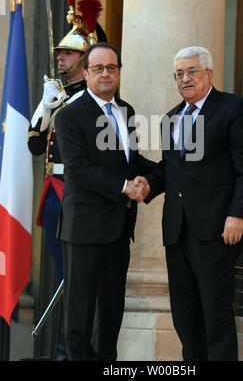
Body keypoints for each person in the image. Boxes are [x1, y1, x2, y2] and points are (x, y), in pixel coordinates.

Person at [136, 46, 243, 361]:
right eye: (179, 74)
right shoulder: (170, 118)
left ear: (209, 73)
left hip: (218, 229)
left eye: (192, 71)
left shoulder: (234, 108)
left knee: (216, 314)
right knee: (184, 314)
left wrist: (237, 215)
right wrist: (149, 184)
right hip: (178, 231)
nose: (185, 79)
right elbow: (171, 169)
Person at [54, 41, 154, 361]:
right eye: (98, 69)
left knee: (112, 310)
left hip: (119, 227)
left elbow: (132, 162)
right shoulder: (70, 115)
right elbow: (79, 169)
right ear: (86, 74)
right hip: (84, 229)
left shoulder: (127, 111)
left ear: (119, 72)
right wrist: (126, 187)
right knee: (80, 312)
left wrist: (165, 175)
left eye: (111, 68)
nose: (105, 74)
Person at [27, 0, 107, 360]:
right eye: (59, 53)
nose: (60, 58)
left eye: (68, 54)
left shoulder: (93, 100)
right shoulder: (55, 95)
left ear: (85, 60)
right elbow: (33, 143)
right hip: (54, 193)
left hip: (77, 191)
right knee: (62, 275)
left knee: (74, 280)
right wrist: (46, 106)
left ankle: (69, 352)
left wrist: (65, 104)